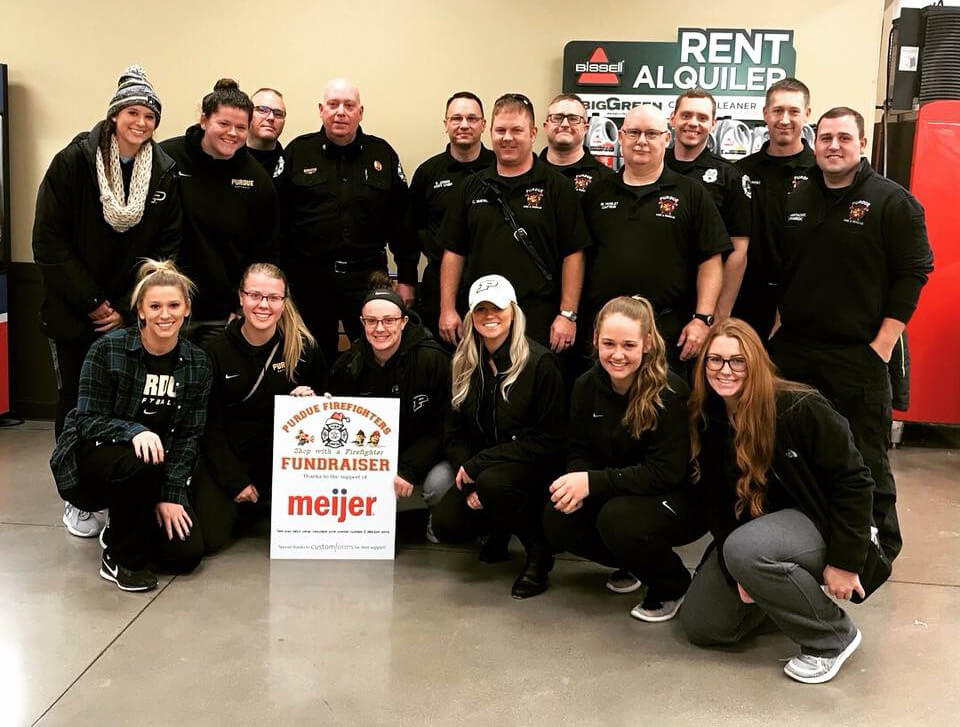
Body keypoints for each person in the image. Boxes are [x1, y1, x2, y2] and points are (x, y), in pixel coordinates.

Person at [770, 107, 933, 562]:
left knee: (865, 456)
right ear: (814, 142)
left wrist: (881, 346)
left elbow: (915, 272)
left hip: (857, 354)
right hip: (797, 351)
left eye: (844, 138)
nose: (833, 146)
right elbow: (787, 269)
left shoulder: (892, 202)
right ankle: (806, 536)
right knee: (793, 448)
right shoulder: (797, 195)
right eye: (825, 138)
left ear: (862, 144)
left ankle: (877, 549)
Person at [681, 319, 875, 684]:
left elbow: (855, 482)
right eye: (715, 360)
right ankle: (781, 592)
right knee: (704, 626)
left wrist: (845, 561)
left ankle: (832, 638)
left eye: (737, 361)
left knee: (745, 549)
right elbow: (717, 504)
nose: (725, 371)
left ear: (756, 362)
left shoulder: (800, 407)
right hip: (760, 535)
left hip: (821, 522)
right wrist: (734, 567)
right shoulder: (709, 417)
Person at [32, 64, 180, 538]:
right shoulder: (74, 161)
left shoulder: (163, 170)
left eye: (150, 116)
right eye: (133, 112)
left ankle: (116, 489)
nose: (141, 123)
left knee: (125, 408)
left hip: (131, 313)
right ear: (115, 115)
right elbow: (49, 241)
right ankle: (78, 498)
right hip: (75, 313)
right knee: (77, 403)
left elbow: (165, 248)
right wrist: (95, 303)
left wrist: (125, 306)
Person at [49, 259, 211, 592]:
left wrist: (172, 495)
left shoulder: (197, 362)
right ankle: (119, 558)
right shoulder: (107, 349)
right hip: (96, 460)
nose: (164, 314)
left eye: (173, 305)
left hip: (155, 468)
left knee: (185, 556)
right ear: (140, 310)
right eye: (155, 306)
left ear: (186, 309)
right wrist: (134, 431)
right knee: (140, 463)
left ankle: (124, 522)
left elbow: (188, 436)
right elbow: (86, 420)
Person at [542, 296, 704, 621]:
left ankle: (673, 583)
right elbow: (579, 449)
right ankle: (634, 562)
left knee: (617, 519)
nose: (617, 354)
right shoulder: (586, 386)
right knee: (556, 516)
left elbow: (666, 473)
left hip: (678, 499)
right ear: (595, 341)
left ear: (646, 344)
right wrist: (577, 481)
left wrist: (591, 482)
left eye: (628, 345)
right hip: (622, 489)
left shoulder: (670, 392)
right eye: (608, 343)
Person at [431, 275, 565, 599]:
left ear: (513, 312)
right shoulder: (462, 362)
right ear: (471, 316)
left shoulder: (540, 362)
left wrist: (478, 468)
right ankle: (498, 527)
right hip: (483, 470)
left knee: (494, 484)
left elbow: (549, 440)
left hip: (530, 465)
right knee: (447, 523)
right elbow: (453, 432)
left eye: (498, 308)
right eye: (481, 309)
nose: (489, 316)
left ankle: (539, 554)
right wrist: (469, 472)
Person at [277, 78, 417, 366]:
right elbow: (277, 221)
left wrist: (406, 280)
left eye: (349, 105)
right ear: (321, 110)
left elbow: (403, 223)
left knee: (373, 356)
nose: (341, 112)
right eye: (333, 104)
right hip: (309, 279)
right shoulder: (297, 152)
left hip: (366, 278)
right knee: (310, 357)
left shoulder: (382, 154)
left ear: (360, 112)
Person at [438, 93, 590, 353]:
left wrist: (568, 314)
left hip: (538, 316)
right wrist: (448, 309)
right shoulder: (471, 187)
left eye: (516, 130)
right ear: (491, 133)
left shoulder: (557, 187)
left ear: (532, 133)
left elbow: (573, 253)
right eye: (500, 130)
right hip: (481, 312)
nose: (507, 138)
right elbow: (454, 251)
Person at [580, 105, 730, 370]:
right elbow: (579, 257)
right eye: (634, 132)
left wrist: (702, 318)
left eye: (651, 133)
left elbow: (710, 260)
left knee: (664, 407)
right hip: (606, 333)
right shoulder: (597, 192)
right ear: (621, 137)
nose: (641, 141)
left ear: (666, 138)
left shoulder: (691, 193)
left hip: (668, 331)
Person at [192, 262, 327, 553]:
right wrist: (234, 481)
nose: (263, 305)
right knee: (209, 539)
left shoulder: (303, 349)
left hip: (281, 463)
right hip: (229, 459)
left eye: (273, 298)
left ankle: (261, 503)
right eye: (255, 295)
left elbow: (330, 414)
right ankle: (245, 503)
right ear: (241, 298)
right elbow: (208, 426)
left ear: (284, 301)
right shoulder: (214, 351)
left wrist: (312, 405)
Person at [161, 79, 277, 348]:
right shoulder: (167, 158)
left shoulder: (257, 178)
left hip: (222, 314)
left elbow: (266, 251)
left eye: (240, 127)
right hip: (168, 308)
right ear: (204, 120)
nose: (232, 133)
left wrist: (242, 309)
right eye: (223, 124)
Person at [330, 272, 453, 523]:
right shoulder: (348, 364)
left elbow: (445, 426)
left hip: (426, 456)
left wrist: (409, 468)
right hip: (373, 458)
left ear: (404, 321)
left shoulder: (433, 360)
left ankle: (437, 521)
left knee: (439, 484)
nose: (380, 329)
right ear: (362, 323)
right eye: (372, 321)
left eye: (389, 320)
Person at [409, 91, 495, 339]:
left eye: (472, 118)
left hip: (488, 280)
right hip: (439, 284)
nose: (464, 125)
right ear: (445, 124)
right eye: (456, 118)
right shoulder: (428, 173)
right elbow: (412, 229)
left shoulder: (499, 169)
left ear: (483, 124)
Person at [734, 78, 814, 338]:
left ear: (807, 115)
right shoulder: (741, 171)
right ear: (765, 114)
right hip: (746, 300)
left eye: (794, 111)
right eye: (778, 111)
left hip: (801, 301)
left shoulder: (821, 174)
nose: (785, 119)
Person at [666, 89, 750, 319]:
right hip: (655, 296)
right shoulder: (652, 166)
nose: (693, 123)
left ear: (713, 124)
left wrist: (721, 310)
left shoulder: (729, 177)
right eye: (686, 115)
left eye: (702, 118)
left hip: (702, 302)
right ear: (672, 118)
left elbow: (738, 251)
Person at [539, 93, 612, 193]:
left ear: (585, 128)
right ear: (546, 126)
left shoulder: (606, 179)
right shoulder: (527, 173)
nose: (565, 124)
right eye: (557, 118)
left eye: (573, 119)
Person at [246, 87, 287, 179]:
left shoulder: (291, 165)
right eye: (262, 110)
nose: (271, 118)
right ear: (247, 113)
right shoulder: (226, 158)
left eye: (278, 113)